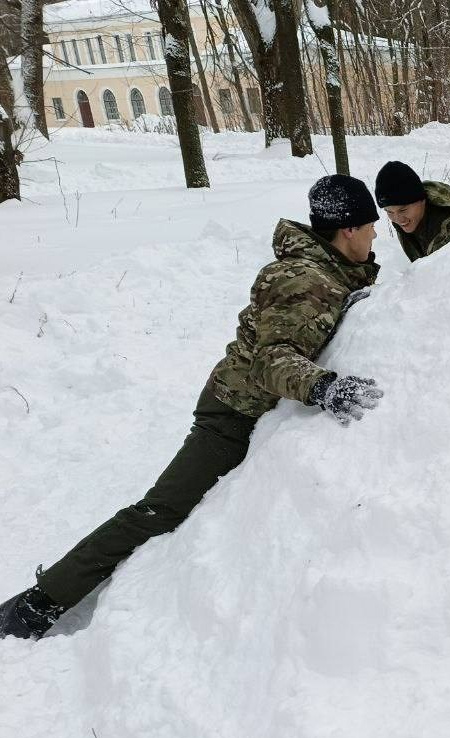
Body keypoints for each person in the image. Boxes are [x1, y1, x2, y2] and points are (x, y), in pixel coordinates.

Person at [0, 175, 386, 641]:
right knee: (159, 512)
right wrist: (324, 388)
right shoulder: (303, 279)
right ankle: (37, 605)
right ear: (348, 230)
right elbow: (271, 361)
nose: (374, 235)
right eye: (370, 226)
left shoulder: (326, 272)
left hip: (252, 411)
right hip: (232, 415)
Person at [374, 160, 450, 263]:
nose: (398, 219)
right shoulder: (410, 221)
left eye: (403, 209)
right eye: (389, 212)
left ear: (422, 200)